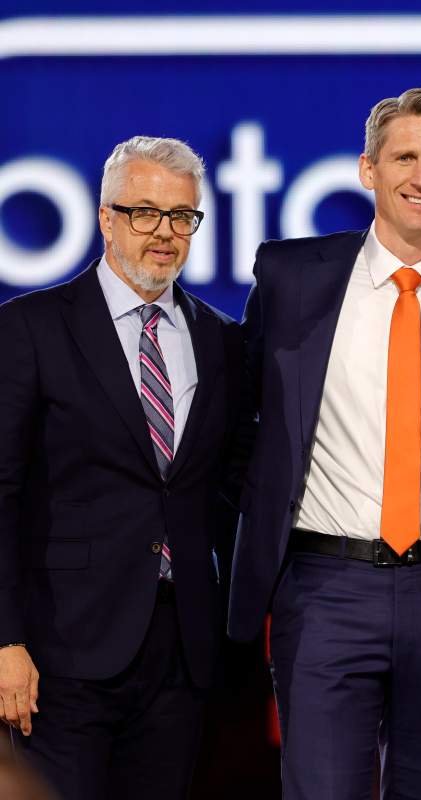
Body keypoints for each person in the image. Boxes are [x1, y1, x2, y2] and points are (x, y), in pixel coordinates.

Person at [227, 88, 421, 799]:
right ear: (368, 169)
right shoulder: (290, 277)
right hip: (324, 587)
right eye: (404, 158)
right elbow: (242, 423)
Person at [0, 136, 244, 799]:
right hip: (61, 650)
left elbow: (227, 487)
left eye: (181, 217)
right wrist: (5, 642)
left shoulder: (222, 339)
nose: (164, 233)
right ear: (106, 217)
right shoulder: (31, 329)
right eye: (144, 213)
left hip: (181, 653)